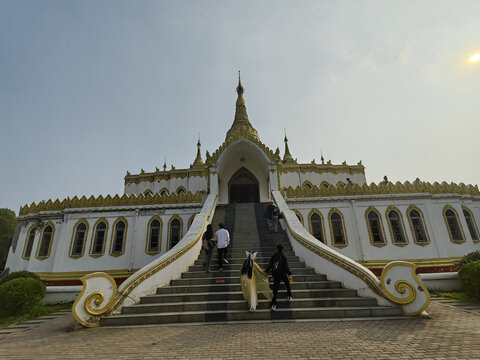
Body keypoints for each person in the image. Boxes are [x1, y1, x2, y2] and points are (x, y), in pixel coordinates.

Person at [265, 244, 292, 311]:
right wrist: (289, 274)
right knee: (287, 284)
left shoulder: (274, 256)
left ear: (277, 249)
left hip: (276, 274)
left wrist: (266, 271)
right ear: (282, 249)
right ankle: (289, 296)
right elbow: (286, 266)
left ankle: (273, 305)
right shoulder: (283, 256)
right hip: (283, 273)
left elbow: (270, 264)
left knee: (275, 290)